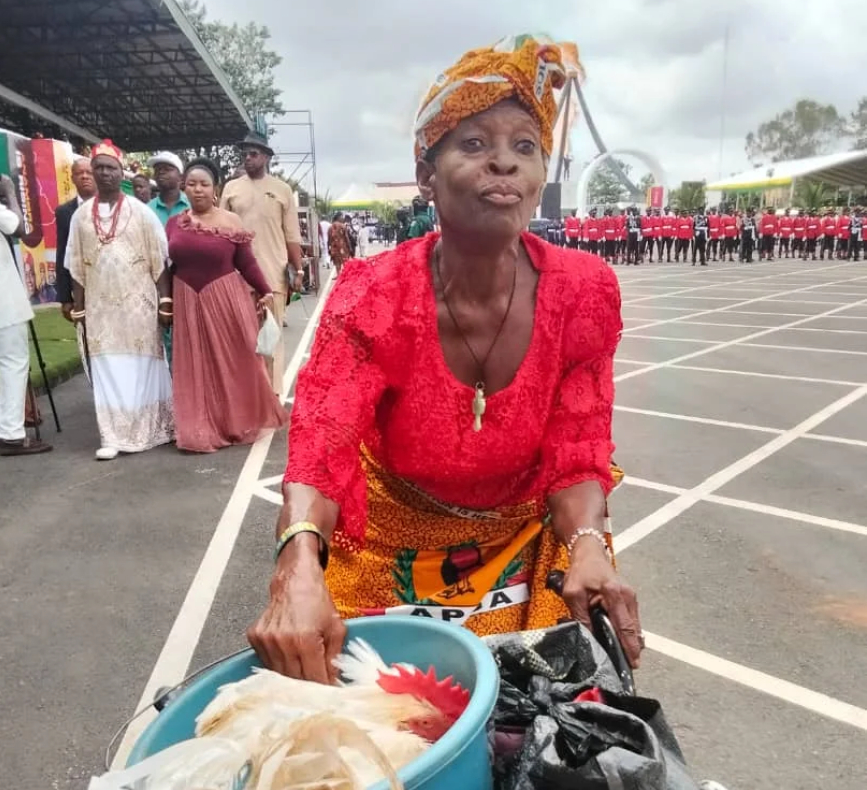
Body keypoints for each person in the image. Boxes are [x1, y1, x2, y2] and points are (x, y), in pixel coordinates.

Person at [248, 34, 642, 682]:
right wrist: (297, 560)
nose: (505, 165)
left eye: (525, 146)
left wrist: (591, 545)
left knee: (554, 714)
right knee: (357, 713)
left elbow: (577, 446)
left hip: (521, 545)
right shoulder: (371, 292)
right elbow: (324, 438)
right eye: (475, 144)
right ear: (426, 173)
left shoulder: (584, 290)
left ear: (542, 174)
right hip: (388, 546)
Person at [165, 157, 287, 453]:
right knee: (196, 364)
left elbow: (246, 262)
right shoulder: (174, 224)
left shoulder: (230, 222)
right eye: (191, 184)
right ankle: (200, 426)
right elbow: (167, 266)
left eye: (204, 184)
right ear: (184, 188)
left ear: (215, 189)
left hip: (225, 299)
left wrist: (265, 290)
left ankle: (235, 422)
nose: (197, 190)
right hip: (187, 300)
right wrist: (166, 301)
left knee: (235, 360)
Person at [65, 139, 173, 460]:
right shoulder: (81, 216)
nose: (104, 173)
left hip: (138, 304)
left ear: (121, 172)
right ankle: (112, 435)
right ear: (92, 173)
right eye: (98, 168)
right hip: (101, 308)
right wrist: (78, 303)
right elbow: (76, 265)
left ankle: (154, 428)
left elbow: (159, 260)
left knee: (142, 366)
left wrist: (165, 301)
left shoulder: (141, 213)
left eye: (111, 168)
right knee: (108, 368)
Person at [222, 131, 304, 394]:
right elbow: (221, 232)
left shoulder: (282, 190)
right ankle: (249, 396)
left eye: (254, 153)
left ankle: (273, 394)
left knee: (271, 337)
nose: (248, 158)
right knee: (243, 339)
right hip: (238, 278)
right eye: (245, 153)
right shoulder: (231, 189)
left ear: (267, 157)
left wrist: (299, 269)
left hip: (273, 278)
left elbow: (291, 235)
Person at [0, 175, 52, 455]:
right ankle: (10, 434)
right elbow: (18, 227)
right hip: (2, 302)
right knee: (13, 363)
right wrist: (9, 193)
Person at [56, 157, 95, 323]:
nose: (85, 176)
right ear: (72, 178)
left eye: (89, 172)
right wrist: (65, 298)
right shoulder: (64, 212)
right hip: (81, 288)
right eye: (79, 173)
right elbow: (63, 253)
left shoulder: (111, 205)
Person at [148, 152, 189, 227]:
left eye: (167, 169)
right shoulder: (147, 209)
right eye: (157, 169)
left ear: (181, 177)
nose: (161, 172)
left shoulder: (192, 206)